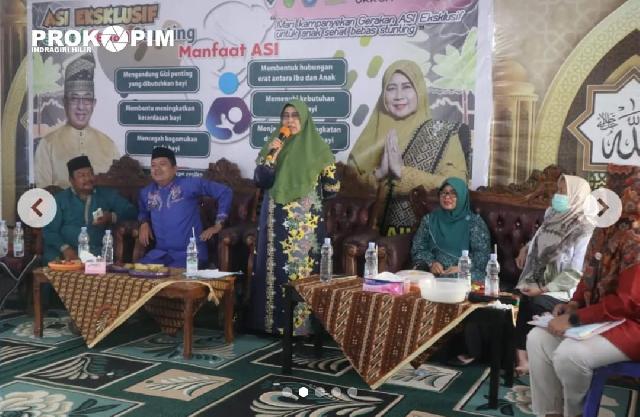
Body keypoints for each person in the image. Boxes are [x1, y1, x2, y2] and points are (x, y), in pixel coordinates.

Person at [526, 170, 640, 417]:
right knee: (538, 340)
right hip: (599, 319)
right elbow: (588, 275)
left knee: (570, 355)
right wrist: (574, 303)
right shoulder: (603, 229)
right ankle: (550, 413)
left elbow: (627, 302)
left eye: (619, 188)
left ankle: (575, 413)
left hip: (632, 325)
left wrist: (576, 318)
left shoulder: (636, 237)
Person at [248, 99, 340, 335]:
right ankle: (269, 325)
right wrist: (273, 156)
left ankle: (302, 328)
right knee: (273, 269)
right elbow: (261, 180)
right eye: (286, 115)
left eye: (295, 115)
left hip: (304, 226)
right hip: (273, 220)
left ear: (305, 119)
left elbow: (332, 188)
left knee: (300, 272)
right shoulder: (274, 144)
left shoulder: (320, 150)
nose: (290, 120)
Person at [348, 60, 468, 231]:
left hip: (426, 235)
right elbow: (346, 193)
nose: (398, 95)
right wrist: (380, 174)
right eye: (391, 88)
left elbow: (457, 187)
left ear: (419, 90)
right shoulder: (369, 137)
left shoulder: (443, 134)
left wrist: (402, 174)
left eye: (407, 87)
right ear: (383, 94)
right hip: (369, 237)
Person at [512, 175, 594, 374]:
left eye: (563, 192)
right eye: (558, 190)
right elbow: (540, 238)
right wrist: (526, 249)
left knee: (534, 301)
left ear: (576, 196)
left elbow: (575, 272)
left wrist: (542, 289)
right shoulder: (552, 213)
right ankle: (519, 357)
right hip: (536, 280)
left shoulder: (584, 228)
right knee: (517, 297)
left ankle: (527, 358)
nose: (558, 195)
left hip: (562, 289)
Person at [137, 147, 232, 267]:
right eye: (153, 165)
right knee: (137, 273)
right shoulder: (146, 192)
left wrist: (218, 224)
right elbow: (143, 210)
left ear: (174, 169)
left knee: (174, 277)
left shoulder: (189, 185)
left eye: (162, 164)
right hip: (161, 254)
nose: (157, 169)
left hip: (190, 254)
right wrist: (144, 222)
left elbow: (225, 192)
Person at [35, 53, 120, 188]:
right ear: (65, 102)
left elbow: (116, 191)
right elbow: (43, 193)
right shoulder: (48, 145)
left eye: (87, 99)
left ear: (94, 104)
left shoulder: (109, 146)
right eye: (74, 99)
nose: (81, 106)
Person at [43, 156, 137, 264]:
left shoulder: (106, 194)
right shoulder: (60, 199)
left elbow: (131, 211)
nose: (88, 178)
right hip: (63, 253)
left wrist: (111, 217)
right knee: (52, 260)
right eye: (82, 175)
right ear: (71, 180)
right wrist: (65, 248)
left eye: (90, 173)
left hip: (95, 253)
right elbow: (49, 231)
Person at [411, 177, 491, 278]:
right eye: (444, 193)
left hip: (463, 273)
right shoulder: (429, 220)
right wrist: (431, 263)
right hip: (434, 273)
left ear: (462, 196)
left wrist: (462, 267)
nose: (447, 197)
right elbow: (418, 248)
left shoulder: (474, 223)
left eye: (454, 193)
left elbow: (483, 256)